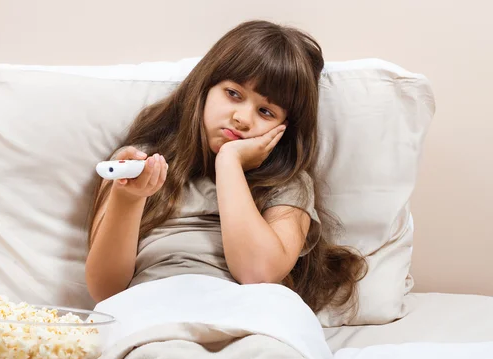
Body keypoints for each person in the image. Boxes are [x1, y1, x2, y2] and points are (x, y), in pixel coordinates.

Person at [85, 19, 367, 318]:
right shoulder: (139, 164)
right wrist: (127, 199)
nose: (243, 118)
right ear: (205, 87)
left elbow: (257, 274)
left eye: (265, 112)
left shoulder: (287, 183)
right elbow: (107, 291)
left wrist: (229, 163)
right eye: (233, 94)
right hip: (156, 307)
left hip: (250, 315)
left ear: (284, 129)